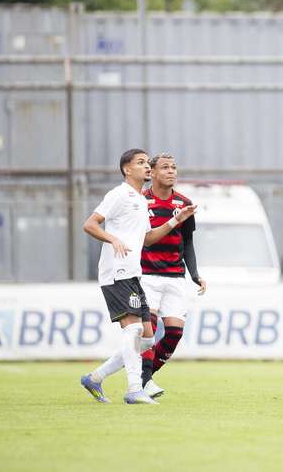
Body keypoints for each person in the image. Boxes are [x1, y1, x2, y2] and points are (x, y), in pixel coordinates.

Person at [79, 149, 196, 405]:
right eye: (141, 163)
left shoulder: (141, 201)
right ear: (127, 169)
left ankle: (95, 378)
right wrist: (112, 239)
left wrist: (176, 220)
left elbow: (149, 239)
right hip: (116, 272)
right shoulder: (119, 194)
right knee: (133, 329)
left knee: (146, 340)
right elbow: (90, 224)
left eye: (146, 162)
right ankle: (134, 389)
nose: (146, 166)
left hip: (134, 273)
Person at [139, 153, 206, 398]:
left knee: (175, 333)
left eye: (174, 167)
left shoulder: (184, 203)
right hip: (147, 275)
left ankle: (144, 377)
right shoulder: (141, 201)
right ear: (152, 172)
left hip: (175, 277)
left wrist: (195, 274)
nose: (171, 171)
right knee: (148, 329)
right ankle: (144, 382)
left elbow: (187, 242)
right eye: (165, 167)